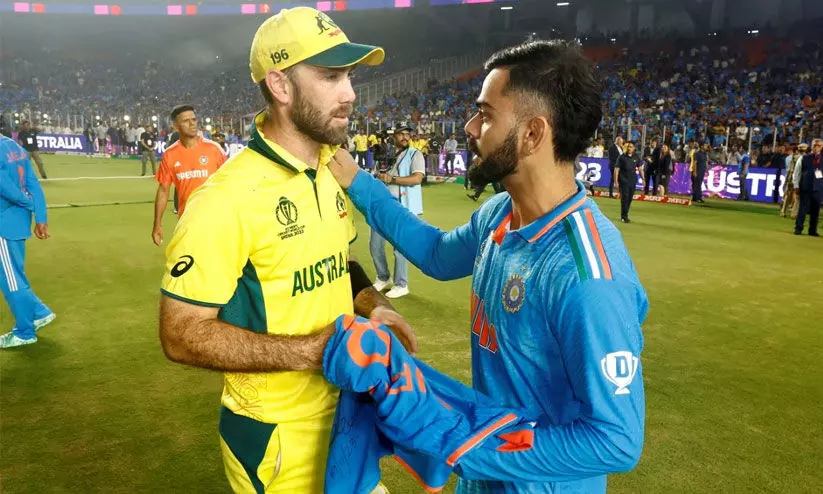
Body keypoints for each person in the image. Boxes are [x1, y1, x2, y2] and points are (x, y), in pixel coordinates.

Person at [330, 39, 646, 494]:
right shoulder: (499, 213)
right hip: (483, 481)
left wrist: (469, 445)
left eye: (486, 115)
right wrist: (358, 182)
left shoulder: (587, 276)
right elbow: (437, 254)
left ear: (533, 134)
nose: (470, 127)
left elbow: (616, 441)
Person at [156, 8, 413, 493]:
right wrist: (313, 351)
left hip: (347, 419)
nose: (350, 93)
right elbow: (181, 334)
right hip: (277, 442)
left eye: (349, 76)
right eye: (331, 76)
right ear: (279, 85)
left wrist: (374, 305)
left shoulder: (328, 171)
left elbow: (339, 264)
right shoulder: (224, 200)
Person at [0, 135, 55, 349]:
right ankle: (40, 312)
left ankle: (24, 332)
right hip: (17, 221)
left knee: (12, 281)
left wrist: (29, 203)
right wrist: (40, 217)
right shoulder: (14, 146)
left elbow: (6, 188)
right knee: (14, 275)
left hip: (4, 225)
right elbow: (32, 183)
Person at [151, 105, 227, 246]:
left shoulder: (214, 149)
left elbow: (230, 184)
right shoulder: (170, 154)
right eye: (186, 121)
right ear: (176, 126)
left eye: (194, 119)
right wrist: (157, 224)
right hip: (187, 222)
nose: (192, 123)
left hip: (217, 221)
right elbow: (163, 190)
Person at [370, 125, 424, 299]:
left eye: (408, 134)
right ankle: (383, 277)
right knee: (375, 245)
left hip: (403, 207)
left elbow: (417, 178)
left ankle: (401, 284)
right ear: (394, 136)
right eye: (401, 134)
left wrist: (391, 178)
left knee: (399, 249)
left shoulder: (415, 154)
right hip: (383, 206)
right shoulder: (384, 154)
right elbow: (376, 175)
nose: (405, 137)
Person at [793, 138, 823, 236]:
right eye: (815, 145)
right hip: (805, 187)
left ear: (822, 147)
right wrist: (796, 185)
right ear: (811, 146)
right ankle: (798, 228)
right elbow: (796, 172)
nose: (816, 147)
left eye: (819, 146)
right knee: (802, 209)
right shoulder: (803, 158)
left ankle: (812, 230)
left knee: (816, 211)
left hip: (818, 188)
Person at [616, 141, 641, 223]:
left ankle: (625, 214)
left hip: (632, 181)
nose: (629, 148)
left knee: (629, 199)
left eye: (631, 147)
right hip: (623, 181)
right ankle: (624, 216)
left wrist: (643, 178)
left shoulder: (636, 157)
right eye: (628, 146)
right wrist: (616, 182)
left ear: (634, 148)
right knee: (625, 198)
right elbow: (616, 170)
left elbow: (640, 168)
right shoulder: (622, 157)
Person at [782, 143, 806, 218]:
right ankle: (793, 213)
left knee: (789, 195)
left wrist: (787, 179)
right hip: (797, 178)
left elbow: (789, 169)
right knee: (796, 196)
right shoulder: (800, 158)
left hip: (792, 177)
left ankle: (784, 211)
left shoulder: (792, 157)